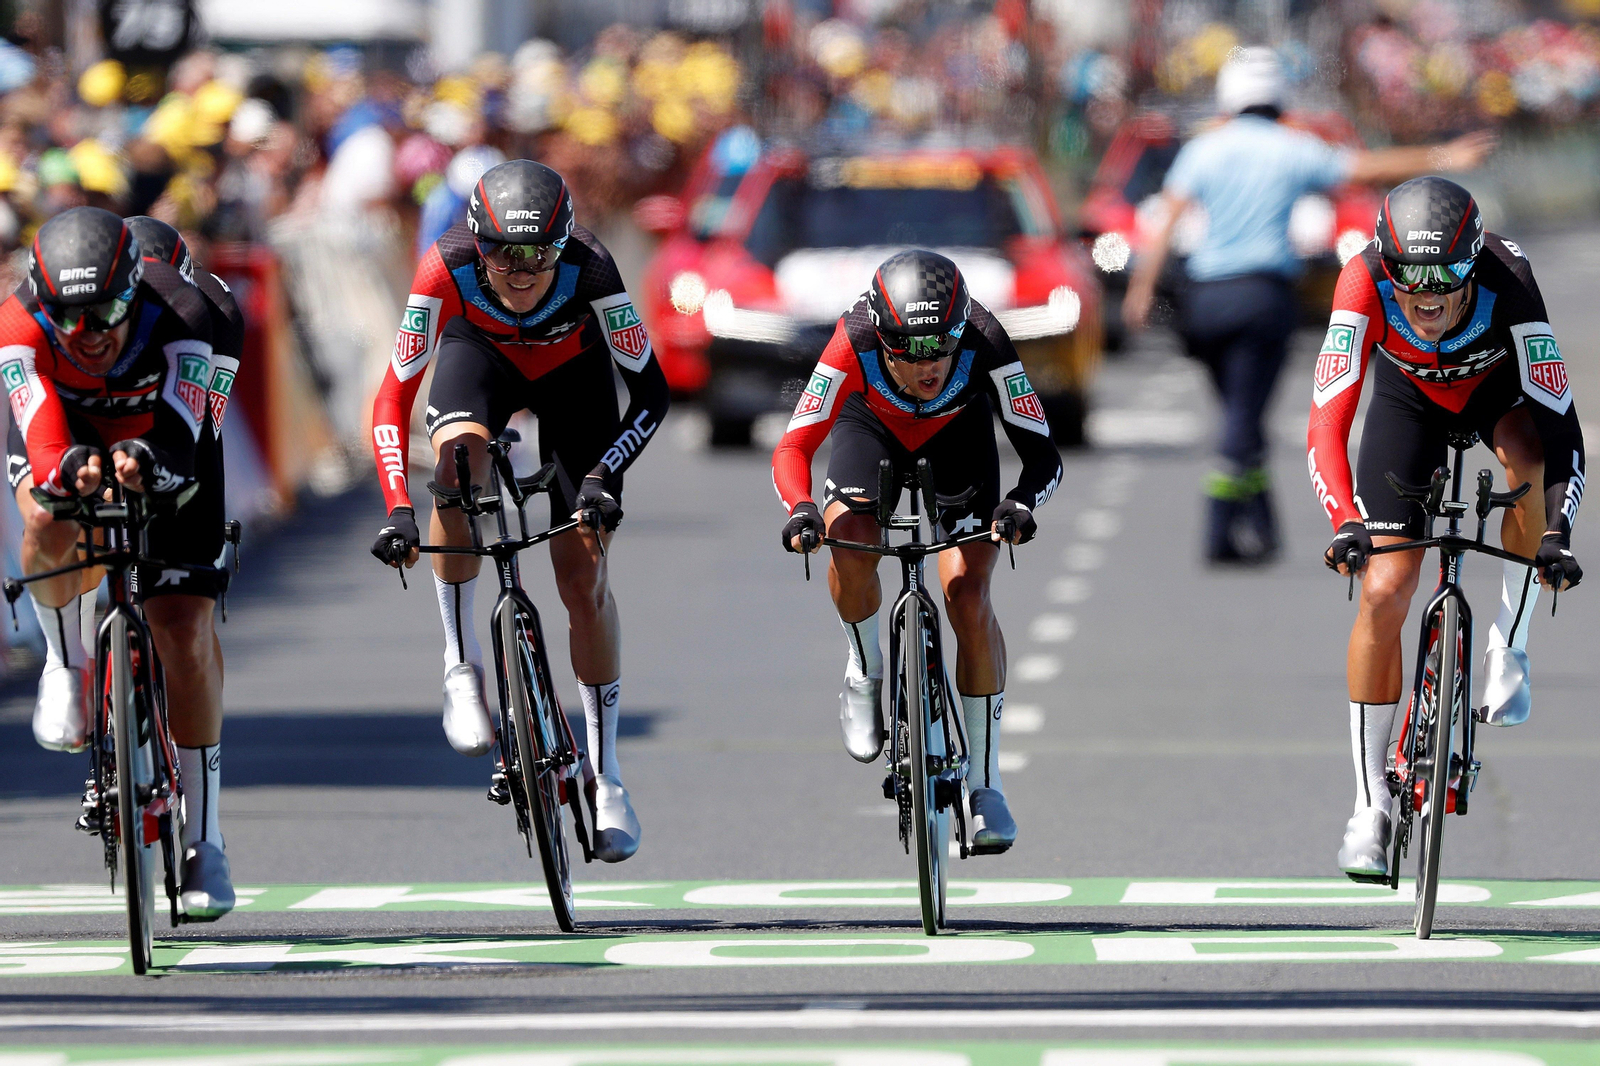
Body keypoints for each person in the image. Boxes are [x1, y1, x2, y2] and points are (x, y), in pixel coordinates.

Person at [370, 159, 669, 863]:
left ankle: (607, 777)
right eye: (503, 251)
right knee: (457, 465)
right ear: (478, 245)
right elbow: (392, 399)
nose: (522, 268)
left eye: (539, 252)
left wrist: (604, 472)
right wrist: (397, 506)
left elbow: (651, 393)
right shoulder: (443, 268)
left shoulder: (593, 269)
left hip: (576, 381)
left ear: (564, 244)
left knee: (582, 575)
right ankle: (461, 663)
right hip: (480, 362)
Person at [1308, 176, 1584, 880]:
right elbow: (1327, 419)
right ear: (1383, 261)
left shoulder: (1511, 280)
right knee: (1385, 587)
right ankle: (1369, 808)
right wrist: (1345, 521)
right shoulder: (1361, 279)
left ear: (1473, 261)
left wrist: (1558, 531)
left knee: (1526, 464)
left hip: (1499, 397)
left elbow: (1563, 429)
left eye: (1446, 277)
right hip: (1409, 405)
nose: (1425, 294)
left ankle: (1509, 645)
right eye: (1409, 276)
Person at [1123, 46, 1496, 563]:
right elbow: (1365, 167)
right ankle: (1220, 524)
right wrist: (1444, 158)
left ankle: (1258, 523)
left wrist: (1142, 289)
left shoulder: (1204, 149)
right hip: (1262, 297)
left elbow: (1165, 219)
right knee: (1243, 417)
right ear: (1278, 98)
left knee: (1238, 412)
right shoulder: (1291, 146)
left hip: (1204, 300)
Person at [772, 249, 1062, 853]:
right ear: (882, 337)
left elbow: (1043, 456)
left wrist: (1022, 504)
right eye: (909, 350)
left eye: (941, 348)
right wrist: (800, 507)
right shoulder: (852, 339)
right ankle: (865, 667)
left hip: (959, 437)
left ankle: (985, 783)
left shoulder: (984, 336)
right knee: (849, 543)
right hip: (869, 428)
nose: (928, 364)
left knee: (966, 590)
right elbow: (792, 450)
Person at [6, 206, 236, 917]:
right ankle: (63, 664)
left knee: (183, 632)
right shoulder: (15, 324)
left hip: (164, 438)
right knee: (45, 511)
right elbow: (41, 442)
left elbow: (187, 437)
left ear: (135, 288)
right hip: (68, 429)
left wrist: (148, 463)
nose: (89, 333)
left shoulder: (198, 311)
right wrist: (68, 467)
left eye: (105, 311)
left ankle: (207, 841)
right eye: (68, 317)